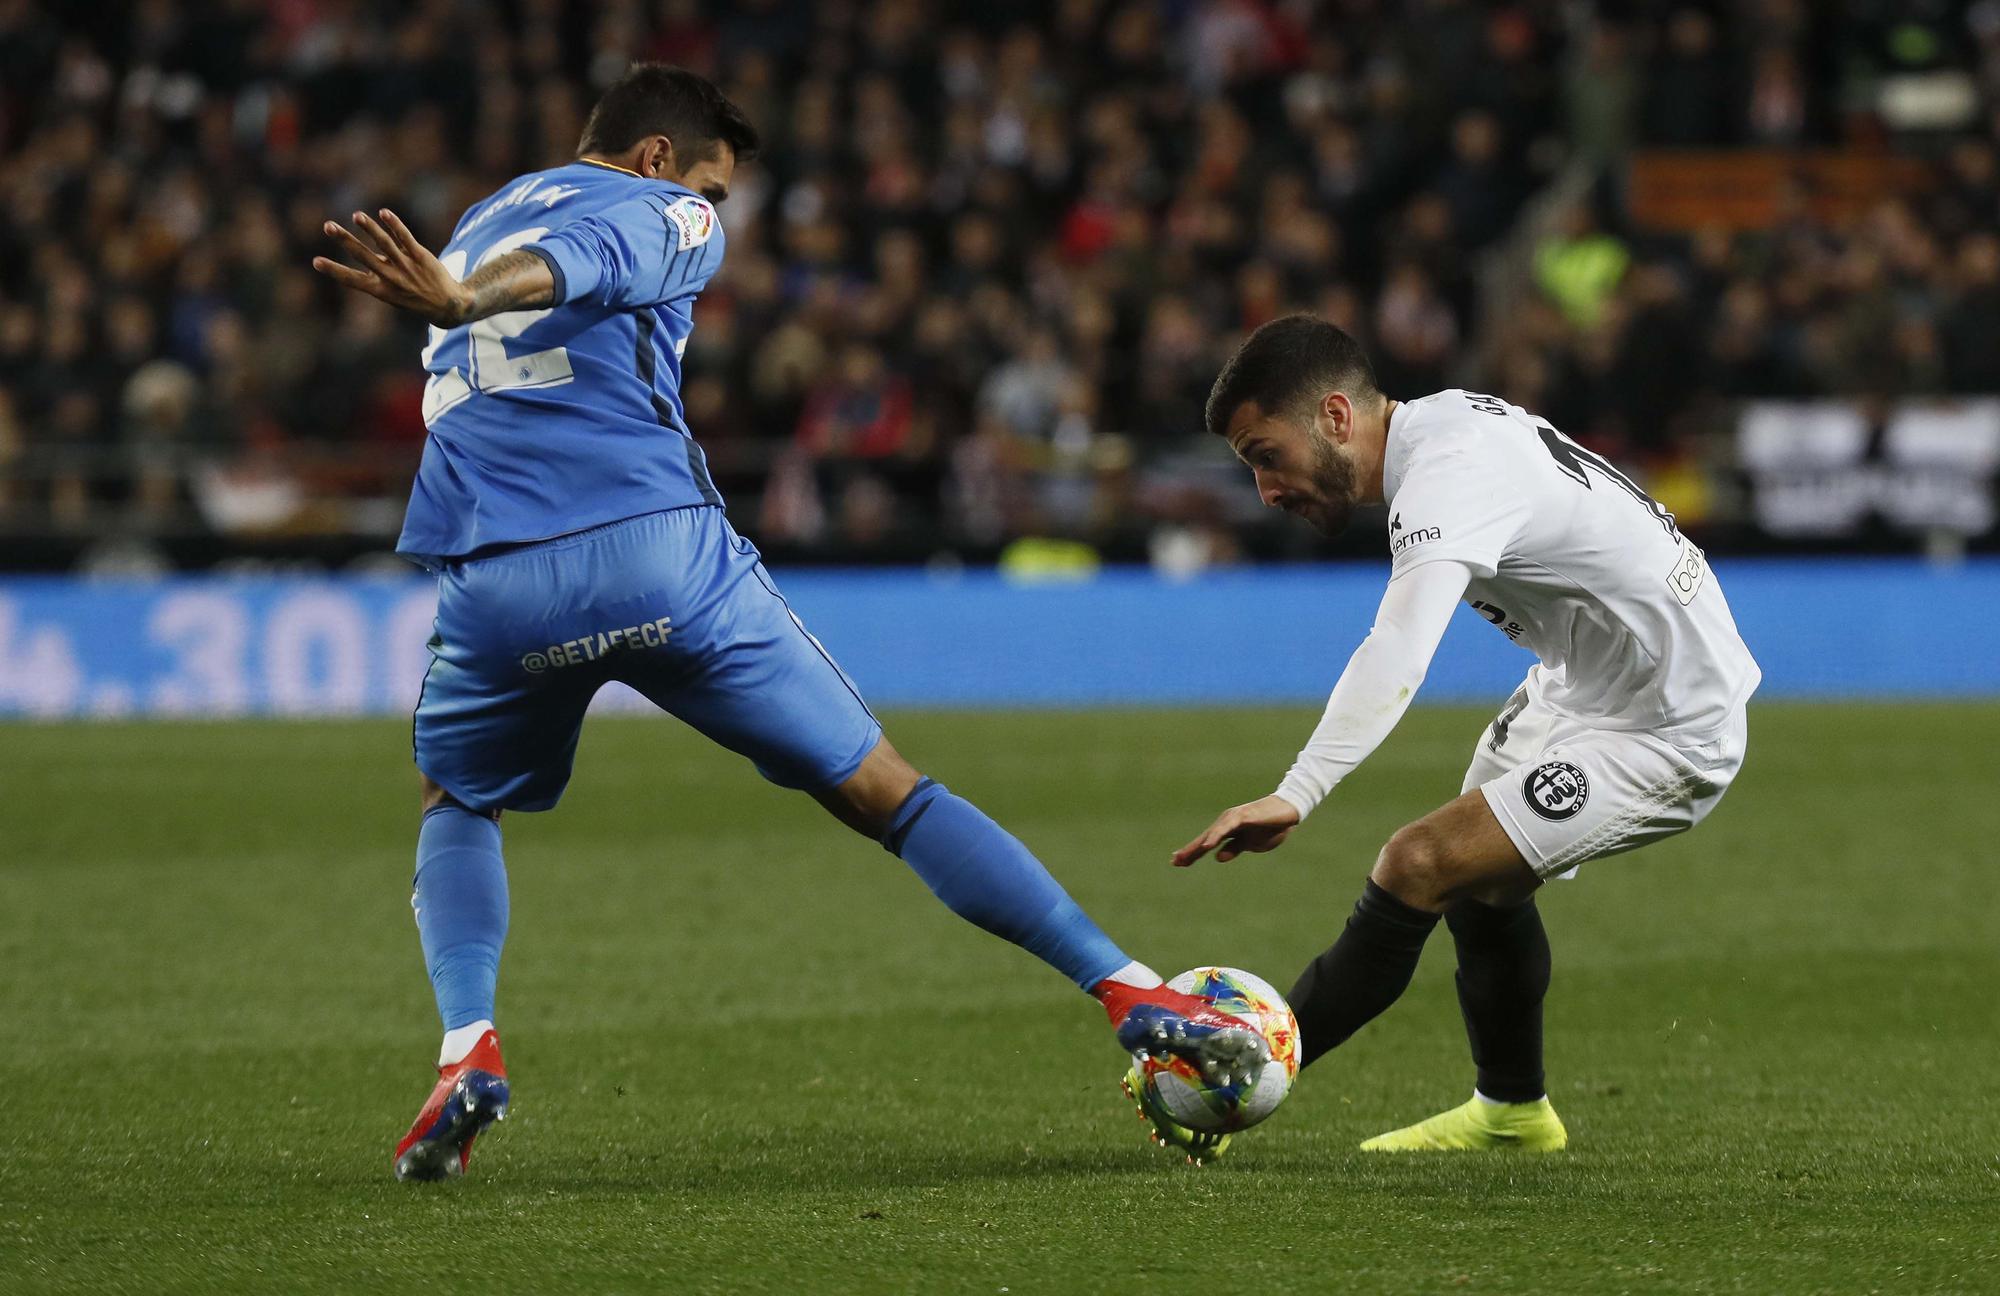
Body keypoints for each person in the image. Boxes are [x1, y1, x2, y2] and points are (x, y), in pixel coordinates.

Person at [312, 64, 1265, 1182]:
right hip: (657, 552)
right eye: (711, 186)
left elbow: (528, 286)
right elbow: (594, 261)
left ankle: (467, 1045)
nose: (715, 213)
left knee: (458, 798)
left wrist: (462, 292)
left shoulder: (474, 222)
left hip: (495, 582)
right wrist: (482, 298)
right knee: (887, 793)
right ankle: (1127, 990)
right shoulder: (658, 210)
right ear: (659, 158)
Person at [1162, 314, 1758, 1154]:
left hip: (1667, 722)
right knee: (1482, 885)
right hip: (1580, 685)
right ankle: (1513, 1112)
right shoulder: (1439, 428)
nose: (1266, 489)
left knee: (1421, 861)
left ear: (1336, 417)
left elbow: (1399, 647)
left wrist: (1296, 792)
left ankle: (1239, 1078)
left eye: (1267, 456)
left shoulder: (1448, 470)